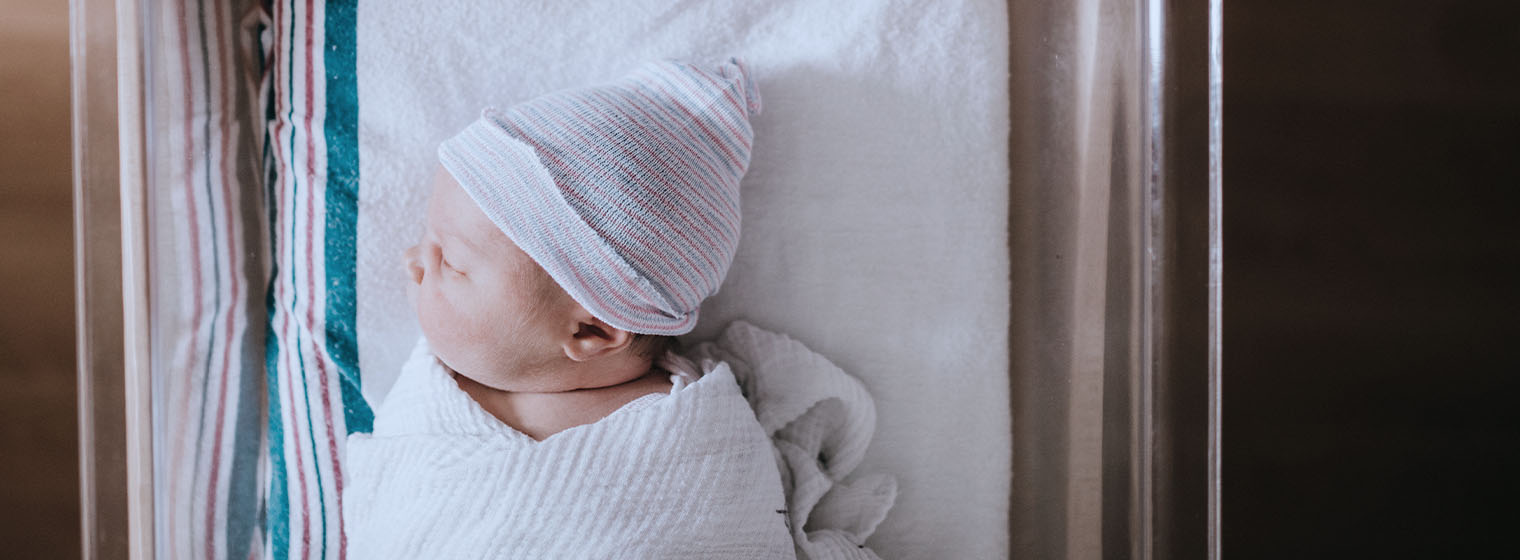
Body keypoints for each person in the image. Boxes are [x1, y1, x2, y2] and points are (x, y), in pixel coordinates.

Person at [343, 59, 891, 559]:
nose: (413, 261)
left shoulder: (699, 444)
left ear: (589, 330)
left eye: (453, 261)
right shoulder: (434, 407)